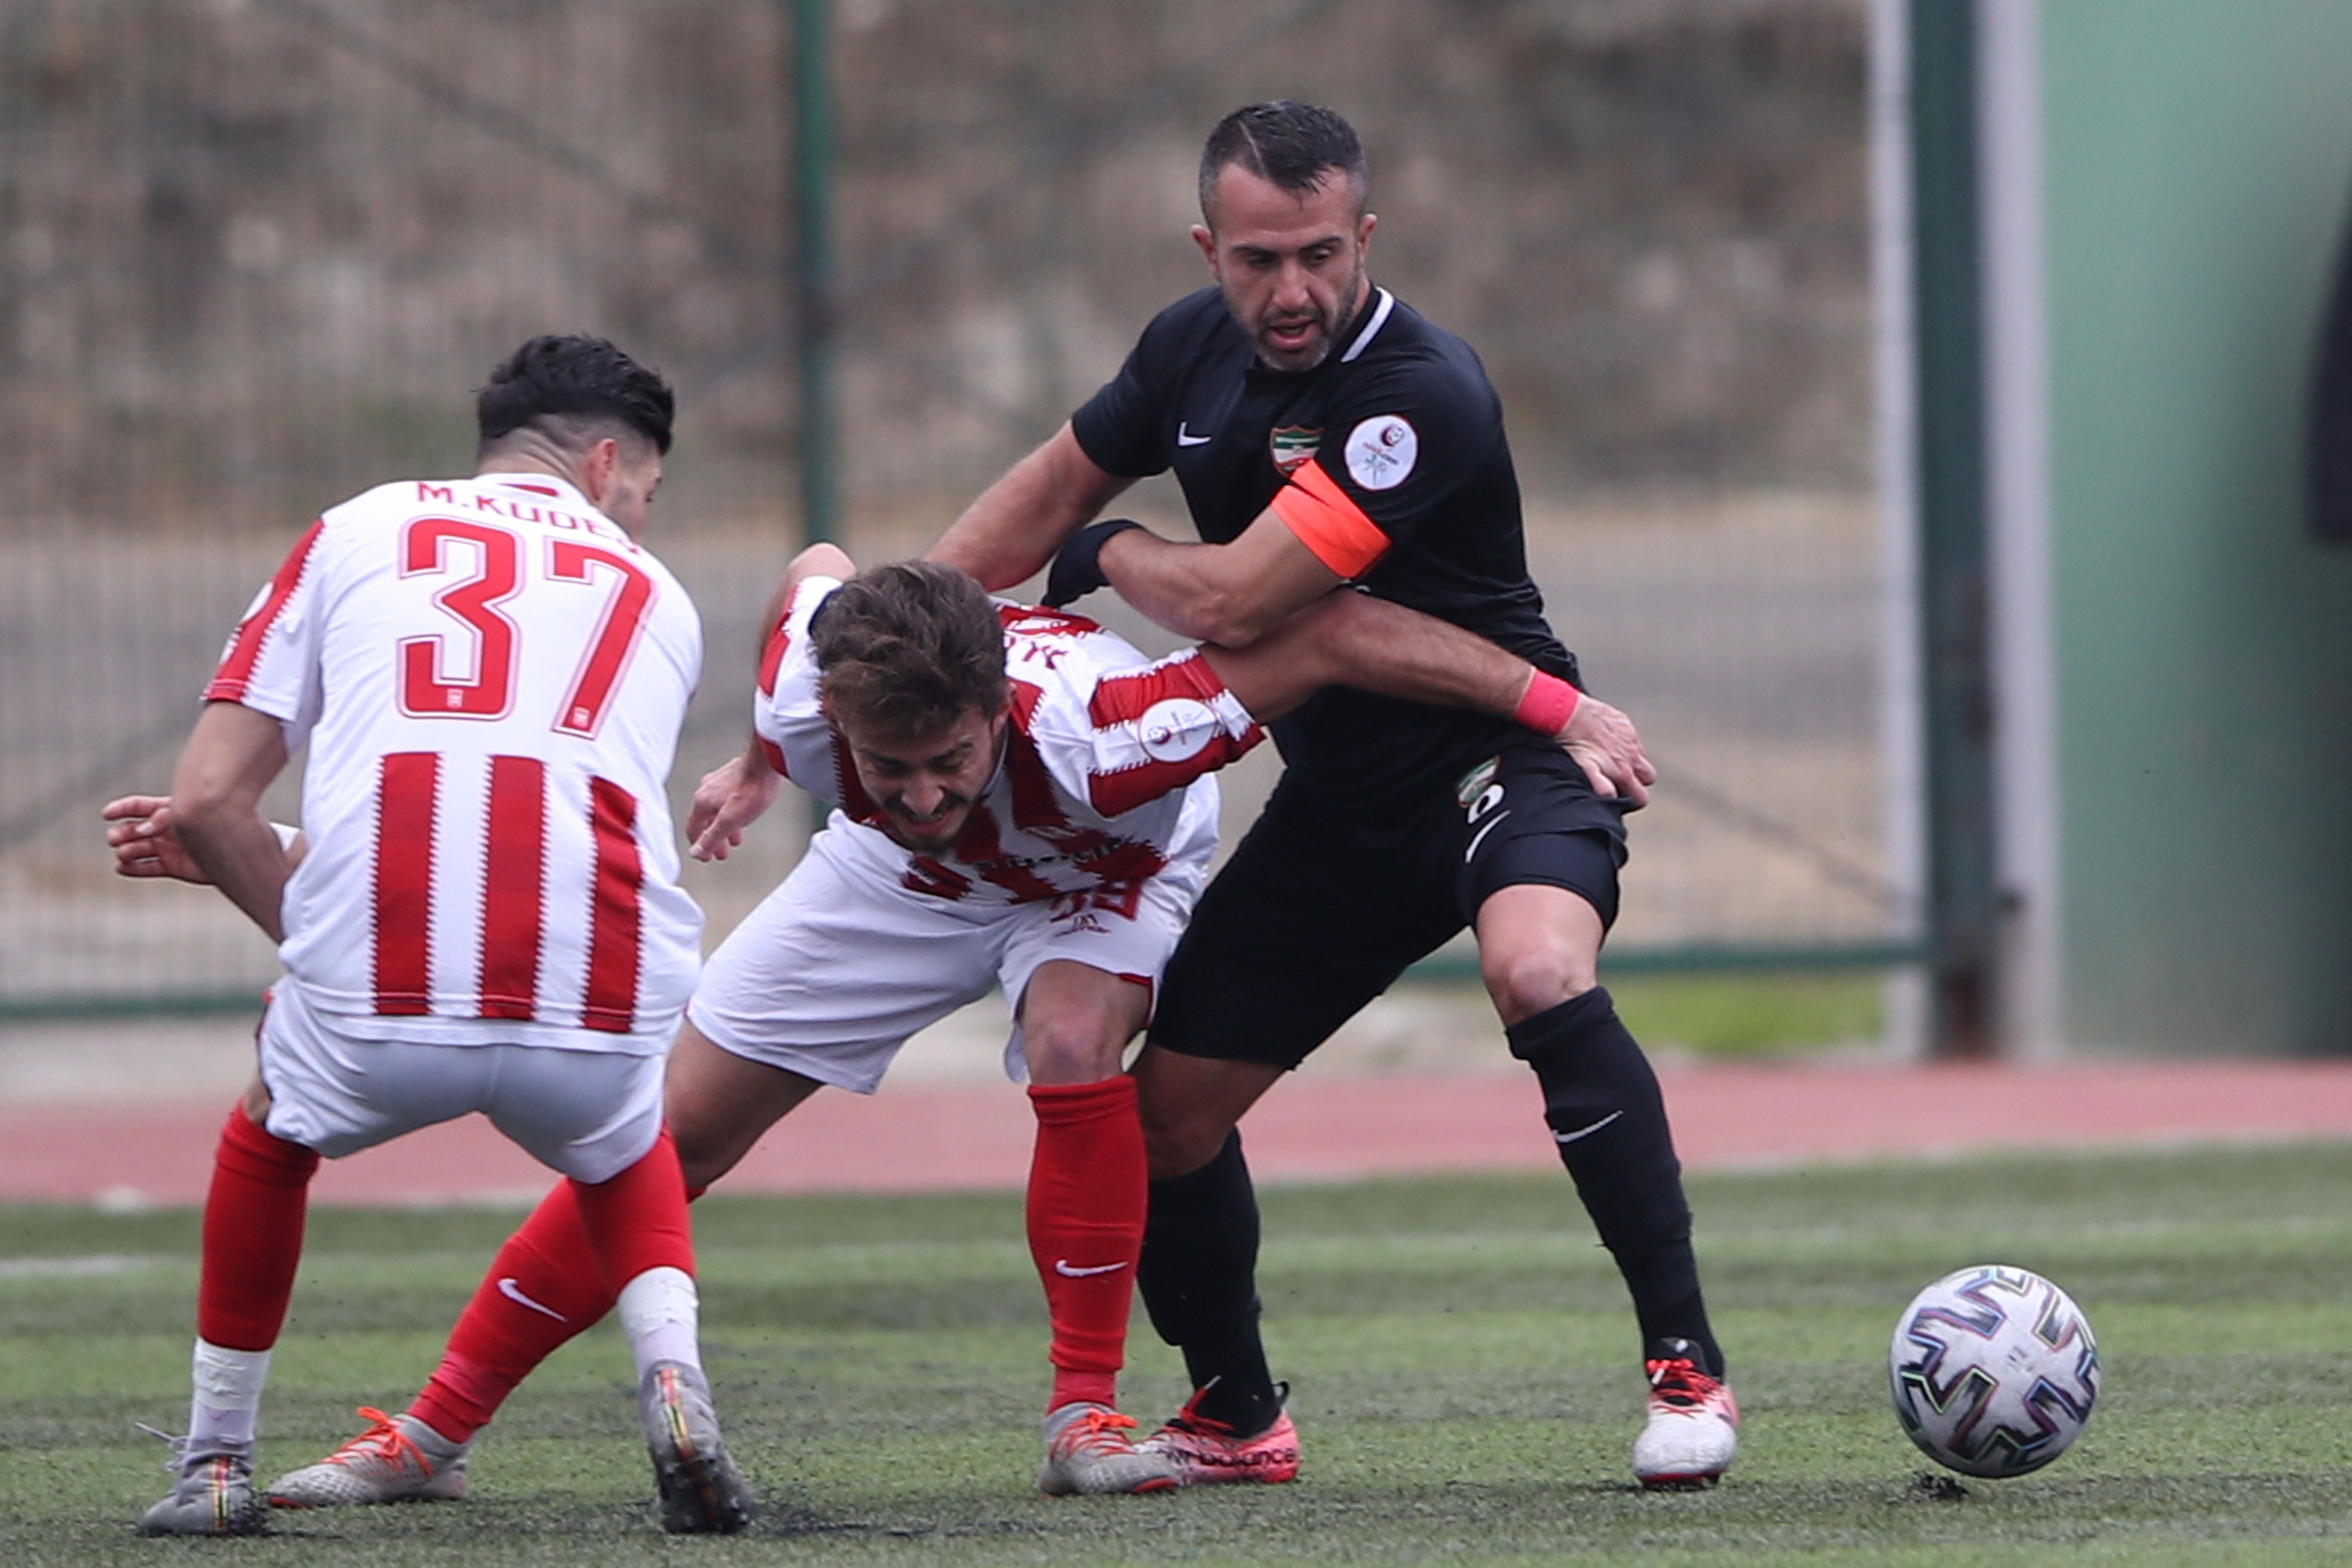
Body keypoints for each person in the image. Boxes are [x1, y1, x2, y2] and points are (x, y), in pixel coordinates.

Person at [118, 545, 1651, 1503]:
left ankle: (1085, 1418)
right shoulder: (821, 719)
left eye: (946, 761)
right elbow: (819, 561)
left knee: (1070, 1043)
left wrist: (1553, 709)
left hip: (1098, 873)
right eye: (880, 761)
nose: (918, 790)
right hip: (889, 899)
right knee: (664, 1135)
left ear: (997, 710)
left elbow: (1326, 637)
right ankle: (430, 1437)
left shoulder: (1124, 734)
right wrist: (768, 766)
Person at [927, 99, 1737, 1490]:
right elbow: (1048, 485)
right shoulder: (1187, 349)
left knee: (1536, 970)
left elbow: (1242, 604)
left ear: (1366, 237)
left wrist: (1111, 550)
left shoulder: (1422, 391)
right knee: (1164, 1112)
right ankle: (1237, 1418)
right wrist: (913, 637)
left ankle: (1689, 1375)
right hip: (1343, 813)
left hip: (1504, 757)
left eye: (1318, 254)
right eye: (1257, 260)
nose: (1290, 291)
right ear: (1209, 249)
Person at [105, 336, 753, 1535]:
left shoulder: (359, 529)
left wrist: (324, 934)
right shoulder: (655, 593)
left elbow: (206, 802)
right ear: (610, 465)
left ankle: (213, 1460)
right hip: (597, 991)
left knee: (270, 1131)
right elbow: (532, 829)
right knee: (626, 1147)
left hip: (380, 997)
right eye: (649, 494)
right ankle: (675, 1382)